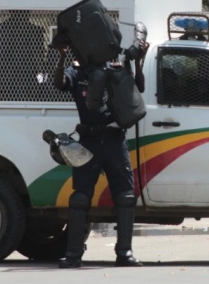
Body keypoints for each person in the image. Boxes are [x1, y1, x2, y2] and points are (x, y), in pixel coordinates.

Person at [54, 41, 148, 268]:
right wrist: (62, 58)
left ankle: (124, 253)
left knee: (125, 197)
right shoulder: (77, 71)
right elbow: (60, 83)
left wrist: (137, 61)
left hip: (114, 140)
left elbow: (138, 88)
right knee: (80, 198)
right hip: (89, 141)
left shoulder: (116, 69)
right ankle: (73, 255)